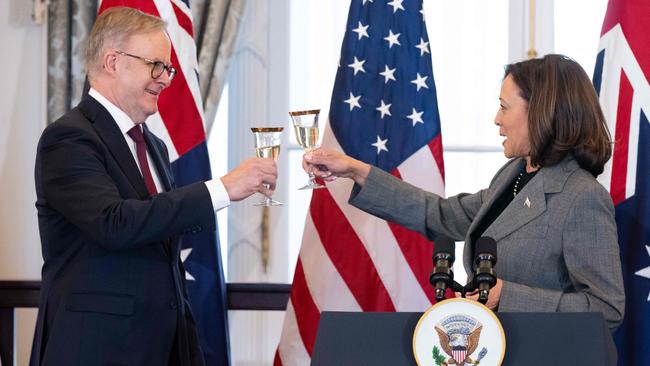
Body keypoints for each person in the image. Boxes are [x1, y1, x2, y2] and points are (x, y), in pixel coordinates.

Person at [304, 54, 625, 329]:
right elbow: (441, 215)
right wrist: (355, 170)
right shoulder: (513, 175)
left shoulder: (582, 195)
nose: (496, 119)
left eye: (504, 107)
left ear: (541, 111)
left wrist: (507, 296)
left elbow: (607, 309)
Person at [31, 7, 277, 366]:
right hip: (97, 350)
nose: (165, 79)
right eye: (156, 66)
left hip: (163, 347)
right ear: (113, 62)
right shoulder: (68, 138)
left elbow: (164, 246)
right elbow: (114, 224)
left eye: (169, 68)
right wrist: (222, 189)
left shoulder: (155, 146)